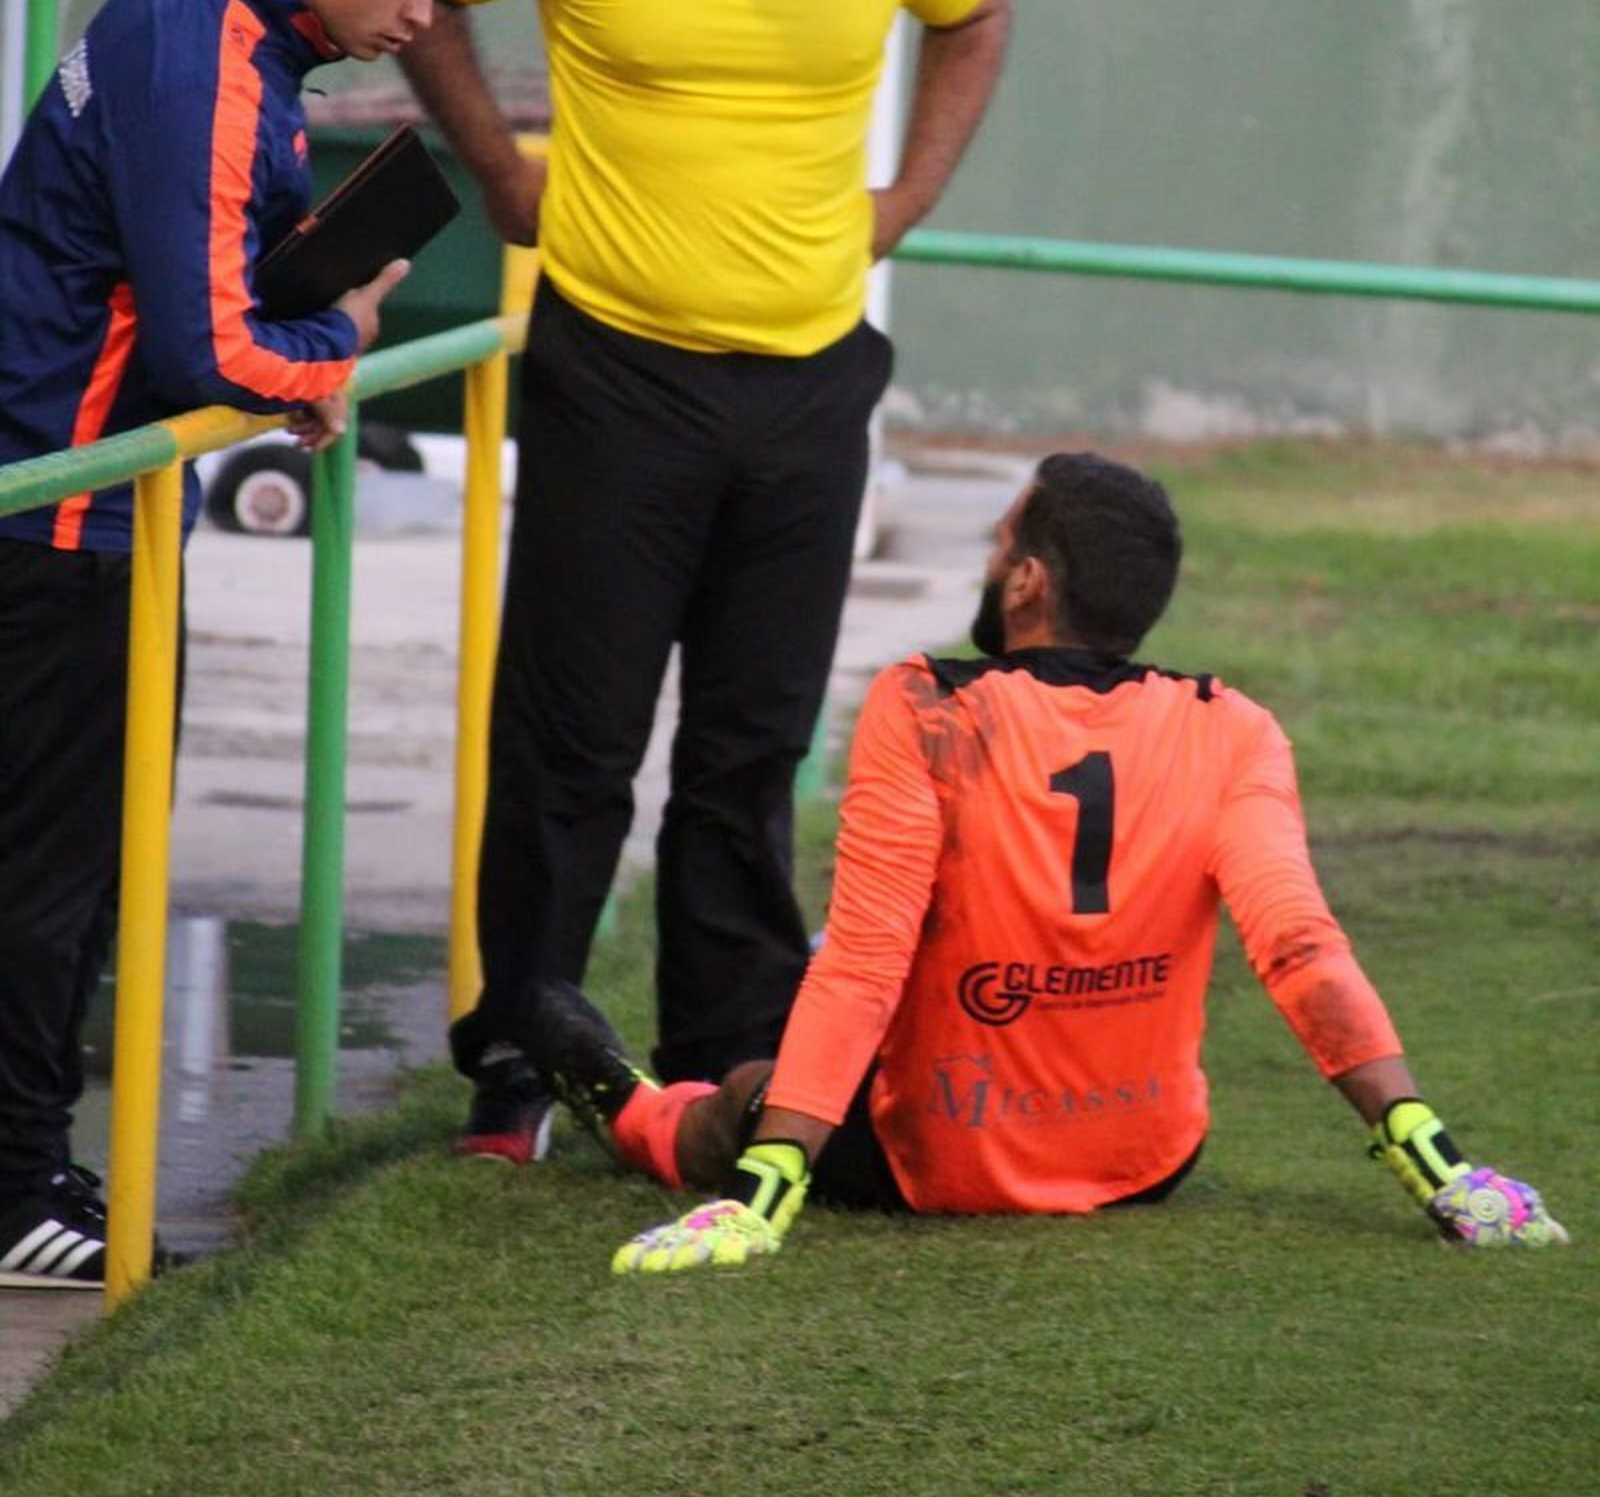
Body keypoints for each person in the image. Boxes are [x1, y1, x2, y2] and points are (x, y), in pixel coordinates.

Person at [400, 0, 1011, 1158]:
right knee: (575, 736)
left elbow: (978, 10)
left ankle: (729, 1060)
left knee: (750, 744)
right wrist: (498, 166)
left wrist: (908, 201)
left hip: (808, 386)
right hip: (618, 376)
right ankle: (520, 1062)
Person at [509, 451, 1568, 1272]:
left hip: (933, 1157)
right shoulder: (1232, 727)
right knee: (820, 983)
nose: (987, 555)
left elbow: (869, 958)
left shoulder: (929, 706)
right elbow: (1298, 947)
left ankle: (636, 1109)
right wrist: (1442, 1168)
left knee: (750, 1081)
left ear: (1024, 581)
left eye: (999, 537)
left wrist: (766, 1183)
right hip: (1140, 1160)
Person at [0, 0, 479, 1289]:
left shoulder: (220, 23)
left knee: (83, 865)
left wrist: (301, 328)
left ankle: (31, 1167)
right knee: (52, 872)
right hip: (60, 507)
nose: (419, 14)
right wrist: (330, 350)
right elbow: (215, 341)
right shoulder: (212, 46)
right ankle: (16, 1191)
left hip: (87, 500)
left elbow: (207, 291)